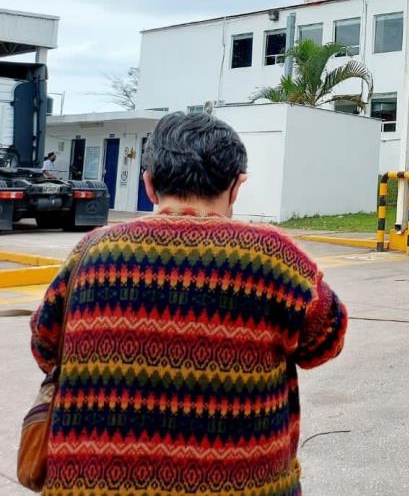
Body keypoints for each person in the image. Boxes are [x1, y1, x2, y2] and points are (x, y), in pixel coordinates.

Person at [28, 112, 347, 496]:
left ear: (148, 184)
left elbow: (45, 346)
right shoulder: (274, 259)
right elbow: (325, 342)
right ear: (236, 186)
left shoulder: (91, 252)